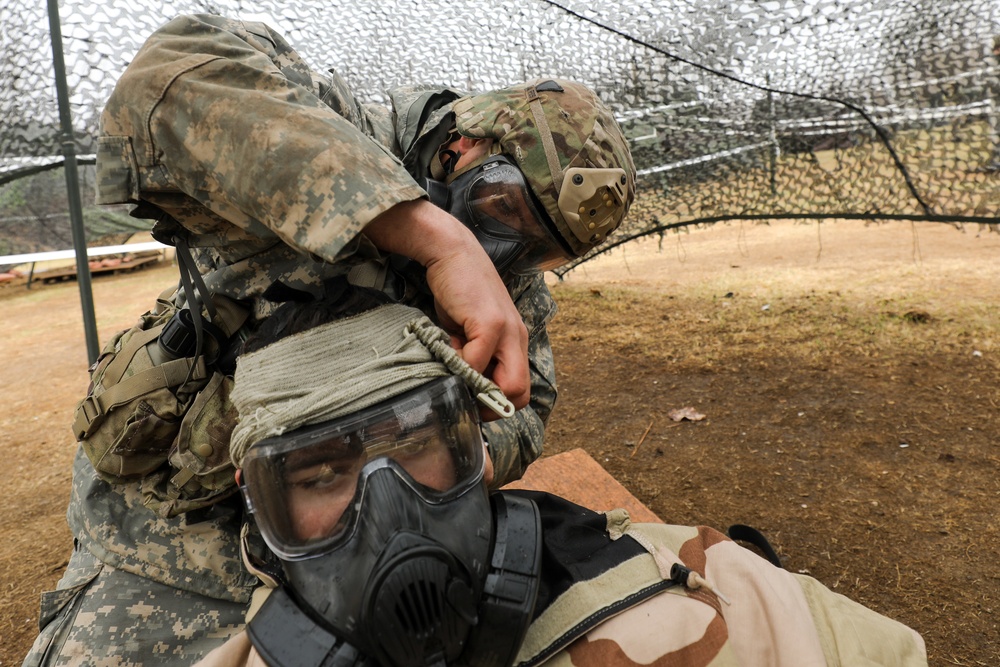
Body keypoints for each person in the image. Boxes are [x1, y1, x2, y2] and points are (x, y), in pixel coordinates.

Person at [23, 12, 636, 667]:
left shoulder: (508, 279)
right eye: (503, 208)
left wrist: (472, 453)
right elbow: (170, 76)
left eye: (539, 250)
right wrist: (434, 236)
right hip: (183, 545)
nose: (507, 250)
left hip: (362, 549)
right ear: (463, 146)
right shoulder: (338, 136)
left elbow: (530, 398)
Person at [193, 292, 927, 667]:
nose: (389, 512)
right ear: (261, 509)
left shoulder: (709, 590)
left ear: (478, 449)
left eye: (416, 442)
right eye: (322, 474)